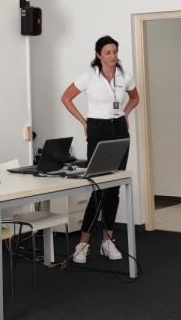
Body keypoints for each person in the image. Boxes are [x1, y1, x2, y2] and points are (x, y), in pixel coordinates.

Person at [60, 35, 139, 264]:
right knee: (98, 188)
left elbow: (135, 98)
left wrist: (125, 113)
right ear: (98, 55)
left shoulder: (124, 76)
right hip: (97, 129)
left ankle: (107, 241)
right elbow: (66, 98)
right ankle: (83, 244)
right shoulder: (88, 76)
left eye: (115, 52)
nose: (112, 56)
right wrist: (83, 122)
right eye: (107, 53)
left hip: (119, 129)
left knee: (114, 187)